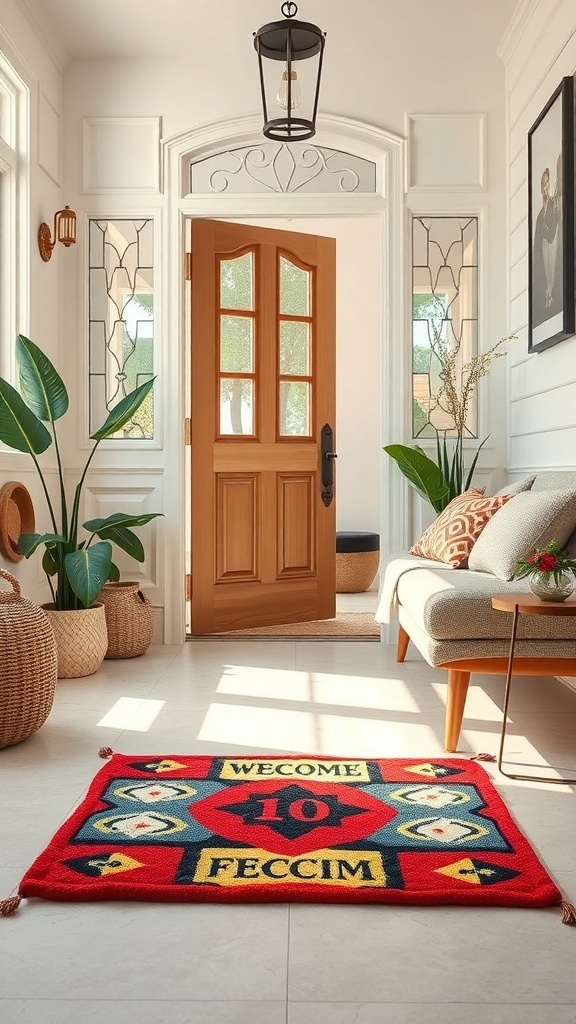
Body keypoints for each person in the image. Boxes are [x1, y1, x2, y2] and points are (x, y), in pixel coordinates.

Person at [532, 165, 560, 328]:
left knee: (551, 272)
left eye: (547, 184)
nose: (545, 187)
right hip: (542, 250)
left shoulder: (553, 207)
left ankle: (551, 296)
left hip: (550, 247)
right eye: (543, 184)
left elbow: (552, 231)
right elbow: (537, 238)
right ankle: (547, 297)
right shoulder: (539, 214)